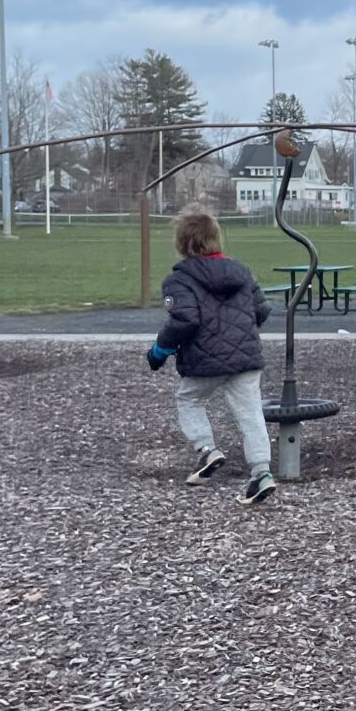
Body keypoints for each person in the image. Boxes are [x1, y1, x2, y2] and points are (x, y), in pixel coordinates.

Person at [146, 205, 276, 506]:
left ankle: (208, 450)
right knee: (250, 413)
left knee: (189, 399)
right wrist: (239, 330)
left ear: (182, 243)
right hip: (245, 358)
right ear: (216, 238)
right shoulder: (240, 270)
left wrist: (159, 351)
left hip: (205, 362)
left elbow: (185, 320)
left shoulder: (179, 279)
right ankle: (261, 473)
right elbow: (262, 310)